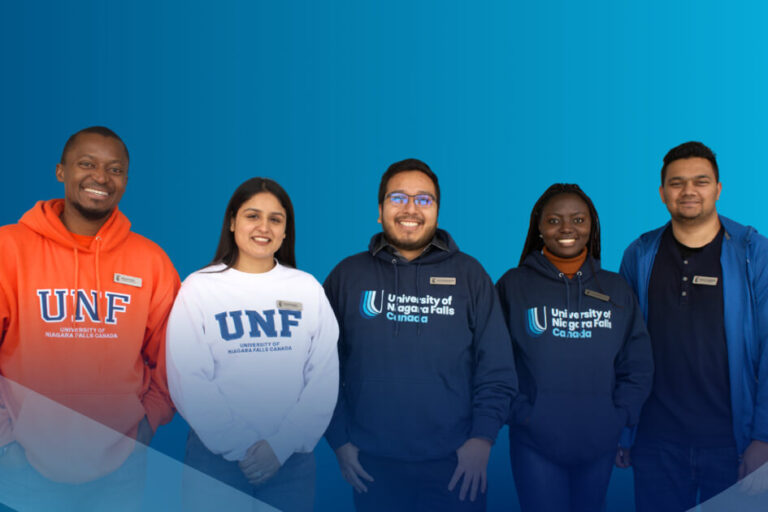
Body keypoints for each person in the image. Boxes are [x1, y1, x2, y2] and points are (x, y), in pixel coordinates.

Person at [323, 158, 517, 512]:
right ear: (380, 210)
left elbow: (498, 370)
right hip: (371, 465)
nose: (410, 208)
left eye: (424, 199)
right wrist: (339, 440)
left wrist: (482, 440)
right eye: (398, 198)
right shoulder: (346, 276)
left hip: (457, 465)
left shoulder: (471, 275)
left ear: (437, 212)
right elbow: (320, 368)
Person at [0, 126, 179, 508]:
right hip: (23, 466)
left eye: (115, 169)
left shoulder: (150, 260)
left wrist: (147, 424)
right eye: (87, 164)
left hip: (121, 468)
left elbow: (174, 356)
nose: (101, 177)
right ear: (61, 171)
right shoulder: (9, 249)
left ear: (126, 181)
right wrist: (3, 441)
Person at [166, 177, 339, 512]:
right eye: (252, 216)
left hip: (291, 464)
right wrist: (243, 447)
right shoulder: (199, 289)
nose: (264, 227)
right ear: (232, 222)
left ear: (286, 231)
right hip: (214, 464)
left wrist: (280, 446)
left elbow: (323, 379)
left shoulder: (307, 289)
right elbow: (188, 378)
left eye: (275, 219)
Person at [620, 141, 768, 511]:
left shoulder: (754, 253)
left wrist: (763, 438)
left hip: (732, 444)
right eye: (677, 182)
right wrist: (624, 430)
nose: (688, 191)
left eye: (700, 181)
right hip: (655, 443)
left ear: (718, 189)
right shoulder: (639, 254)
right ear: (662, 193)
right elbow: (620, 348)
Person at [495, 183, 653, 512]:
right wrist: (521, 413)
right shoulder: (513, 285)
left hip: (599, 442)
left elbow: (637, 362)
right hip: (534, 441)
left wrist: (619, 415)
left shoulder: (616, 289)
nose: (567, 228)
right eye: (554, 220)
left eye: (578, 220)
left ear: (591, 225)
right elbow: (493, 361)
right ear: (539, 226)